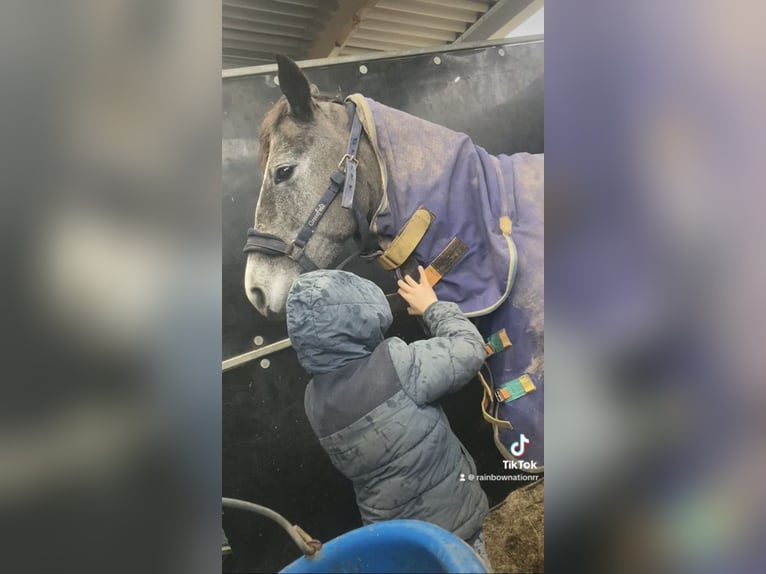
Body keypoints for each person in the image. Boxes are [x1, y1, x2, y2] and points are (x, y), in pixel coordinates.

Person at [285, 266, 491, 566]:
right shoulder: (395, 363)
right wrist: (432, 307)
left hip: (393, 537)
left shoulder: (313, 400)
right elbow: (470, 349)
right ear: (362, 317)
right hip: (452, 526)